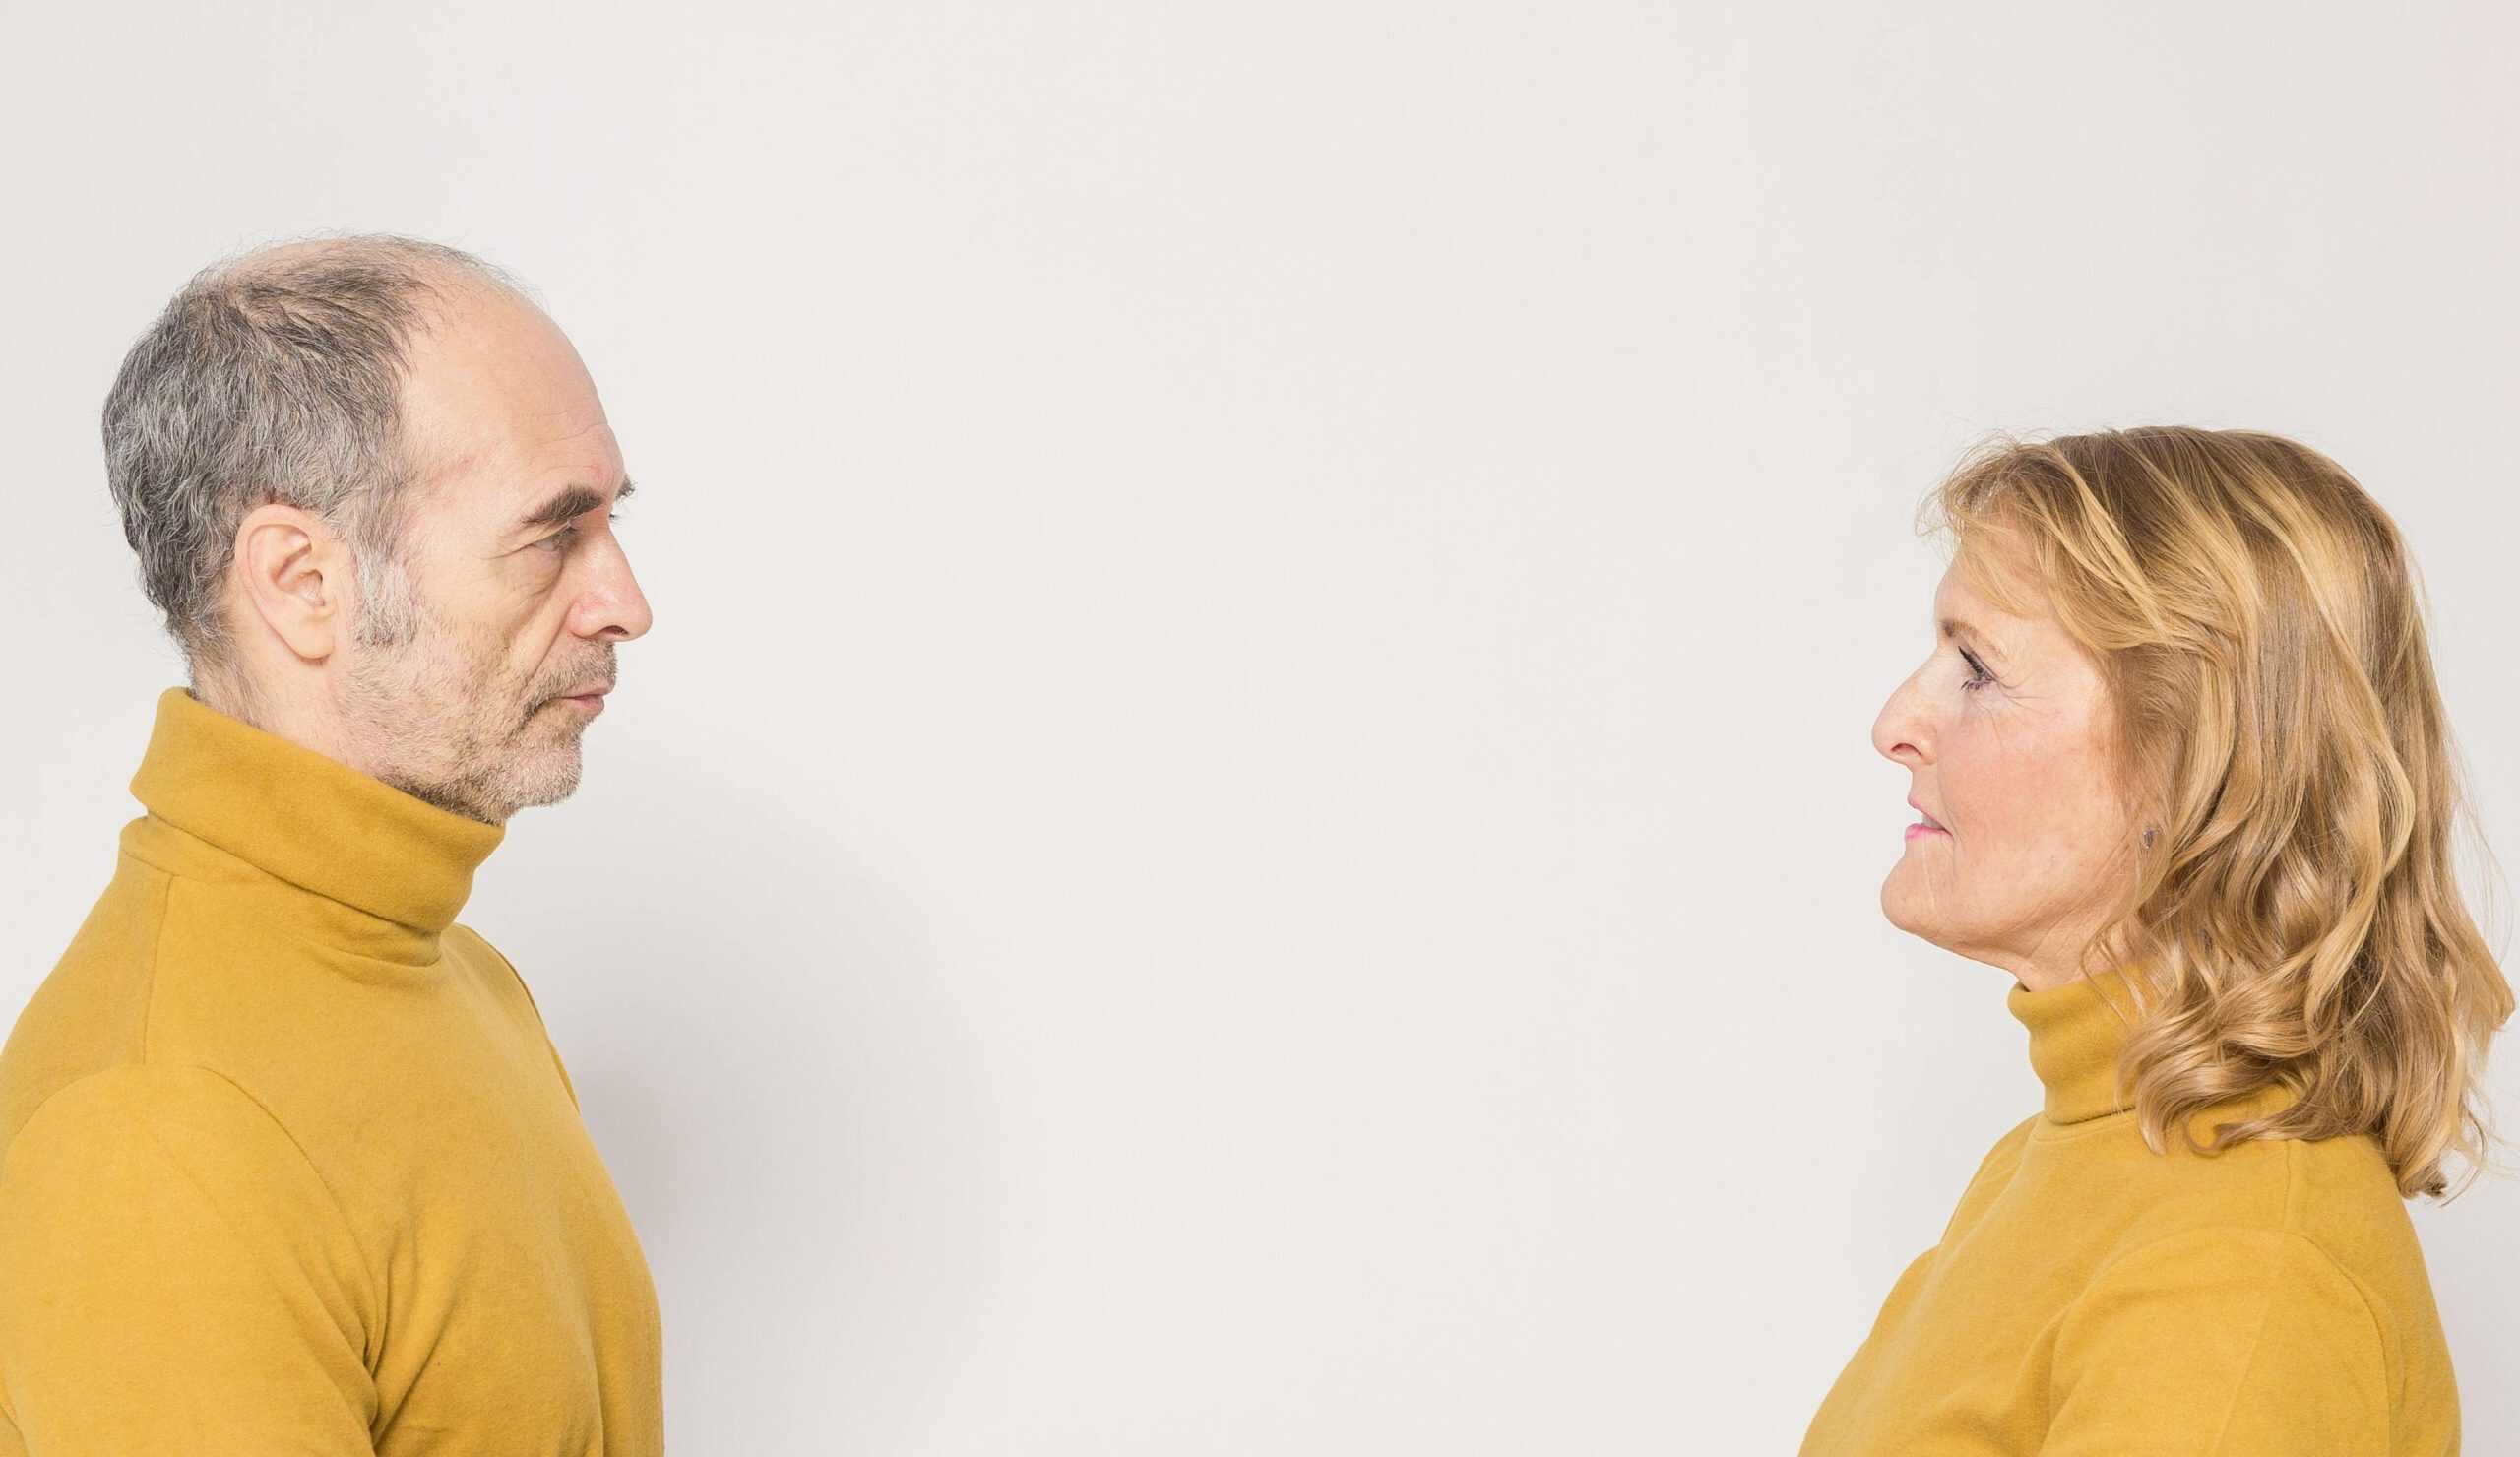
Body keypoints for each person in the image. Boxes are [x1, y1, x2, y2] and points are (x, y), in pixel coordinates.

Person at [0, 235, 661, 1453]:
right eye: (551, 534)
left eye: (609, 522)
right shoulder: (151, 1129)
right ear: (303, 580)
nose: (625, 601)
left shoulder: (464, 980)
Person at [1800, 426, 2509, 1453]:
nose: (1896, 720)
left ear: (2193, 761)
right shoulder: (2053, 1162)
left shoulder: (2237, 1262)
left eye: (1976, 666)